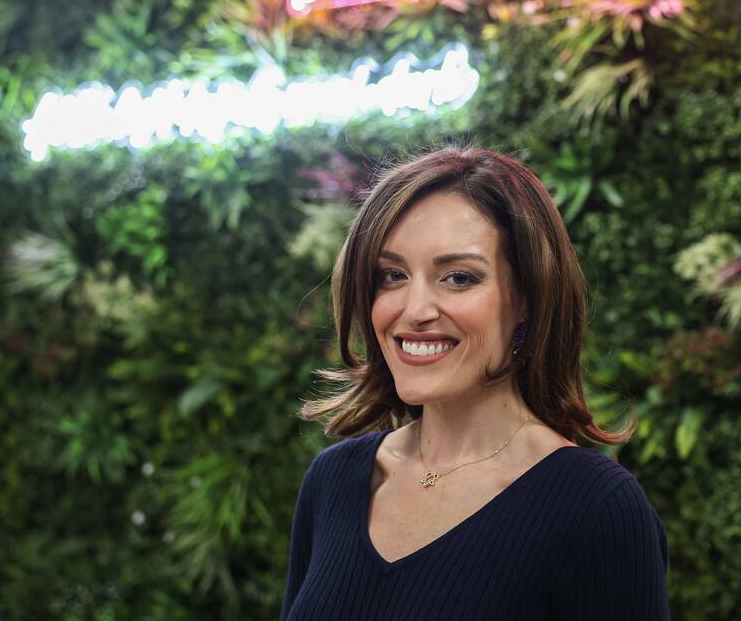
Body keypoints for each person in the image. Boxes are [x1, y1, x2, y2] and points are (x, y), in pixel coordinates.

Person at [280, 145, 669, 620]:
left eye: (459, 277)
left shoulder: (597, 509)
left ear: (527, 298)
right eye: (392, 275)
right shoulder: (333, 480)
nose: (415, 310)